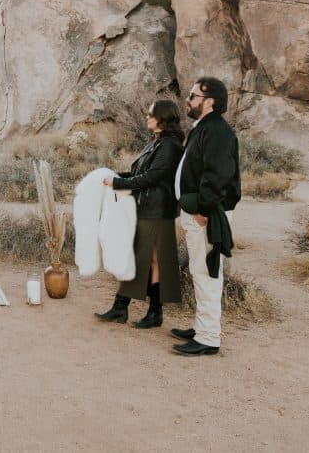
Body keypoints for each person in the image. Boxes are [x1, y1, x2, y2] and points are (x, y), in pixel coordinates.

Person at [95, 100, 185, 328]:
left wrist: (118, 182)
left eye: (150, 114)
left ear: (162, 117)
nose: (147, 117)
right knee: (151, 260)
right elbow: (141, 172)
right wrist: (114, 175)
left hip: (157, 210)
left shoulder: (170, 145)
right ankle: (143, 311)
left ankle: (124, 308)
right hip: (150, 208)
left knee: (141, 259)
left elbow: (152, 177)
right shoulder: (158, 142)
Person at [172, 77, 241, 356]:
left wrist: (203, 209)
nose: (188, 100)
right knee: (200, 270)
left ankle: (209, 337)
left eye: (193, 95)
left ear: (210, 101)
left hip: (206, 214)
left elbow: (217, 174)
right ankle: (202, 327)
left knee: (207, 271)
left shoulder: (218, 132)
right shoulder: (204, 128)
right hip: (199, 211)